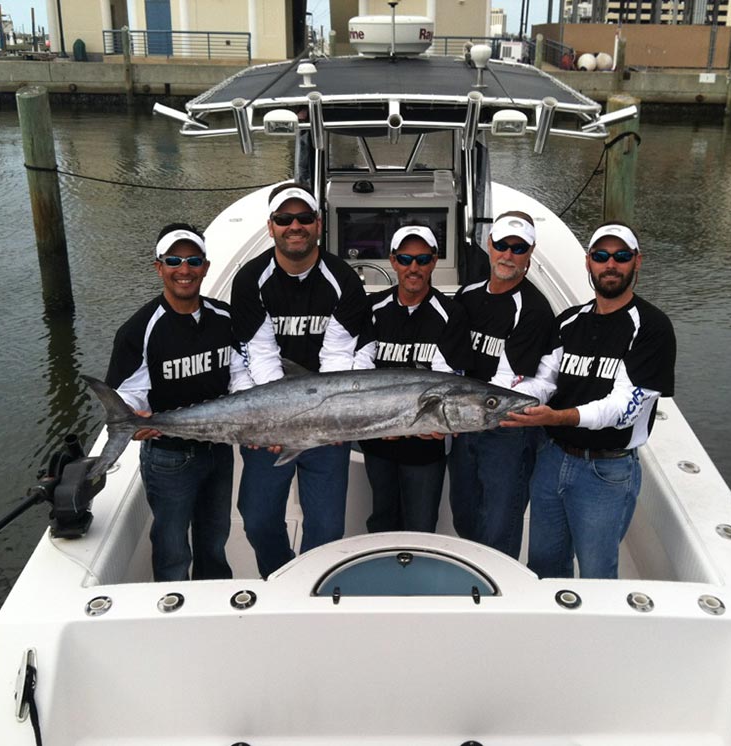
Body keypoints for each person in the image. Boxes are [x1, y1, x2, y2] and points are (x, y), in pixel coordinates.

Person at [502, 221, 676, 579]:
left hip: (606, 472)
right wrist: (502, 400)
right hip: (552, 460)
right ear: (588, 263)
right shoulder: (568, 322)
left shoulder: (652, 328)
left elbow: (624, 408)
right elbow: (544, 381)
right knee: (545, 568)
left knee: (597, 574)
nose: (610, 264)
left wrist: (556, 417)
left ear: (637, 262)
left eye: (621, 256)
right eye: (601, 256)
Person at [230, 183, 368, 578]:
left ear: (319, 225)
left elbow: (338, 357)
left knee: (326, 528)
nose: (295, 226)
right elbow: (260, 355)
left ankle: (311, 587)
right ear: (270, 227)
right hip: (268, 413)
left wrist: (326, 420)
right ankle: (281, 577)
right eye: (284, 219)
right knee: (256, 520)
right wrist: (280, 419)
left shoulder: (343, 278)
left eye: (304, 218)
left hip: (328, 419)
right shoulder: (250, 280)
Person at [105, 223, 244, 582]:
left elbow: (240, 374)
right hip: (169, 456)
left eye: (193, 260)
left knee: (214, 541)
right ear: (159, 267)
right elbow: (127, 391)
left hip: (219, 448)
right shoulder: (139, 330)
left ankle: (212, 604)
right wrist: (133, 414)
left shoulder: (225, 318)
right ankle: (172, 608)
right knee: (172, 549)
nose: (184, 270)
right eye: (174, 260)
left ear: (206, 267)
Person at [449, 211, 557, 559]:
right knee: (464, 514)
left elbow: (507, 384)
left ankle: (498, 596)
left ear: (530, 253)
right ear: (488, 245)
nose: (508, 255)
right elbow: (451, 358)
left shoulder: (534, 310)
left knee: (499, 525)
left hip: (506, 430)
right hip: (466, 424)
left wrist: (459, 412)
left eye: (518, 248)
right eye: (501, 245)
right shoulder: (466, 295)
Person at [353, 226, 473, 533]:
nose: (413, 268)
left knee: (420, 525)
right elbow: (360, 368)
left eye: (422, 259)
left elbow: (445, 380)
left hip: (425, 447)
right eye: (405, 259)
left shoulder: (451, 314)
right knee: (381, 518)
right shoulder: (372, 309)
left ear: (434, 261)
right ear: (393, 261)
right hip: (378, 440)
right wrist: (383, 422)